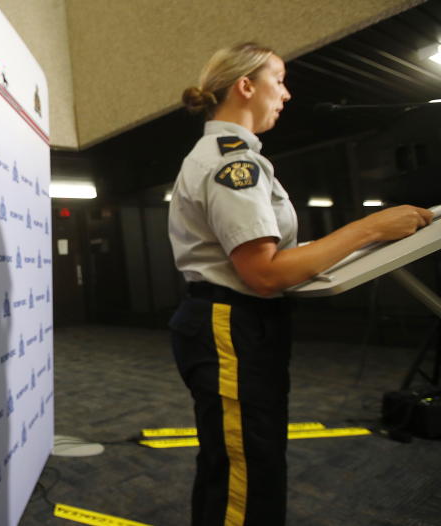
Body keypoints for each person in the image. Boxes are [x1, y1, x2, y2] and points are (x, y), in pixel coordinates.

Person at [167, 42, 434, 526]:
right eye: (279, 80)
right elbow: (264, 272)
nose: (286, 94)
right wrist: (370, 229)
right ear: (246, 86)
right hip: (231, 323)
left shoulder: (235, 156)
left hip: (238, 322)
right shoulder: (232, 163)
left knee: (238, 461)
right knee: (249, 471)